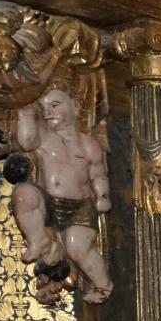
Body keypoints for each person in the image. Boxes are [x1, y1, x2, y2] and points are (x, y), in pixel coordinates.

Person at [13, 84, 112, 303]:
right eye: (44, 107)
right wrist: (26, 113)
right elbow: (26, 141)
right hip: (49, 203)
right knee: (24, 194)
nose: (48, 112)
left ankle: (104, 286)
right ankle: (39, 240)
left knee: (78, 247)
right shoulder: (44, 137)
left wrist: (103, 196)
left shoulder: (90, 145)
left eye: (55, 105)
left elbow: (98, 174)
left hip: (80, 207)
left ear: (75, 107)